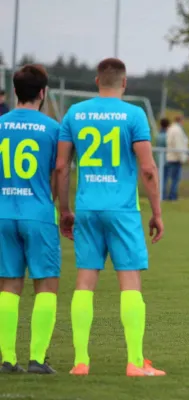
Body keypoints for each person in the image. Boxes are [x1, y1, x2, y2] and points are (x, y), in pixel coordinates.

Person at [55, 57, 165, 377]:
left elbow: (62, 167)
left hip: (87, 208)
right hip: (122, 211)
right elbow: (147, 168)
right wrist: (157, 212)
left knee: (85, 282)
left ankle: (80, 362)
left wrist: (64, 209)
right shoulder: (134, 114)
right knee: (129, 283)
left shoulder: (74, 113)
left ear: (96, 80)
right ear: (125, 82)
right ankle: (134, 362)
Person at [0, 64, 60, 374]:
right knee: (46, 285)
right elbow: (57, 172)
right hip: (38, 213)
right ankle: (37, 359)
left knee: (8, 286)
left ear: (14, 92)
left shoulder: (0, 125)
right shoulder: (52, 129)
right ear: (42, 92)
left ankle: (7, 359)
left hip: (4, 213)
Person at [164, 114, 188, 201]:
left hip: (170, 157)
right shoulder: (177, 130)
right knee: (175, 179)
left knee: (168, 178)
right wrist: (182, 158)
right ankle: (172, 197)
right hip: (175, 158)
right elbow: (178, 145)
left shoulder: (170, 129)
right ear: (181, 121)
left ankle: (167, 196)